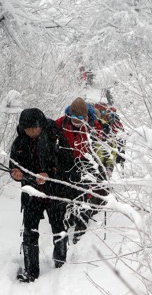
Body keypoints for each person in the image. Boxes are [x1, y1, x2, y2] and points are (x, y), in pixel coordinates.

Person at [9, 108, 74, 283]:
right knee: (30, 231)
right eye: (26, 129)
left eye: (33, 128)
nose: (30, 132)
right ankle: (31, 271)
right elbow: (13, 164)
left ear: (41, 125)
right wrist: (15, 173)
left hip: (55, 192)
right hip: (32, 194)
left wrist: (49, 175)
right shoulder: (20, 142)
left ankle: (61, 264)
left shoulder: (56, 137)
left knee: (58, 227)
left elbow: (69, 164)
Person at [56, 97, 108, 244]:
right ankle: (69, 219)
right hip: (67, 162)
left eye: (80, 118)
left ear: (86, 116)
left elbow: (102, 139)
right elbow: (50, 128)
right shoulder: (63, 122)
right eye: (74, 118)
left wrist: (103, 130)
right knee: (67, 192)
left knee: (85, 193)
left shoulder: (92, 124)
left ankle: (81, 226)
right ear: (69, 115)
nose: (77, 121)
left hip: (86, 161)